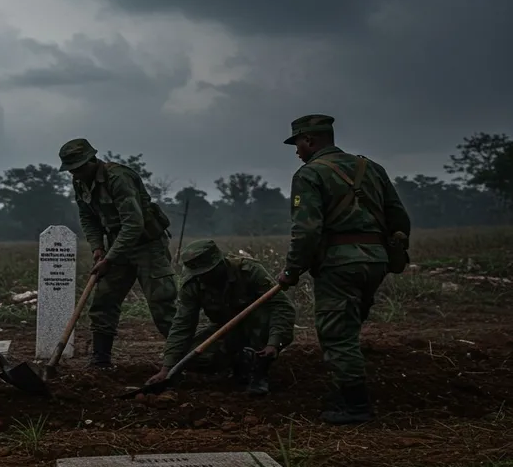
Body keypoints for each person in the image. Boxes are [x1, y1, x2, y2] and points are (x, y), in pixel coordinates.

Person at [276, 114, 411, 424]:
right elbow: (399, 219)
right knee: (348, 329)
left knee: (337, 336)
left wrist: (292, 270)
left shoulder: (309, 174)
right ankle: (344, 389)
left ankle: (354, 405)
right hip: (375, 261)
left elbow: (307, 230)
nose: (297, 150)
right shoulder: (371, 168)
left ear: (310, 140)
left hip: (339, 265)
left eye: (297, 143)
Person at [58, 138, 177, 368]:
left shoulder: (118, 178)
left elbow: (133, 224)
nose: (75, 174)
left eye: (79, 168)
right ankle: (100, 360)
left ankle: (188, 357)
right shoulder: (80, 182)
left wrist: (110, 258)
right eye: (71, 170)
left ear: (92, 160)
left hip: (147, 245)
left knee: (162, 305)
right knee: (103, 301)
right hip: (116, 246)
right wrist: (97, 247)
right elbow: (87, 217)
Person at [147, 240, 296, 395]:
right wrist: (167, 369)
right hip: (227, 330)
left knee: (262, 319)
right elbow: (182, 325)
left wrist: (274, 342)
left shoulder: (249, 271)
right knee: (187, 357)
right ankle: (238, 363)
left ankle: (259, 372)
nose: (204, 277)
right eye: (199, 274)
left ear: (220, 263)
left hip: (259, 327)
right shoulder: (193, 285)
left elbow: (282, 307)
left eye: (207, 272)